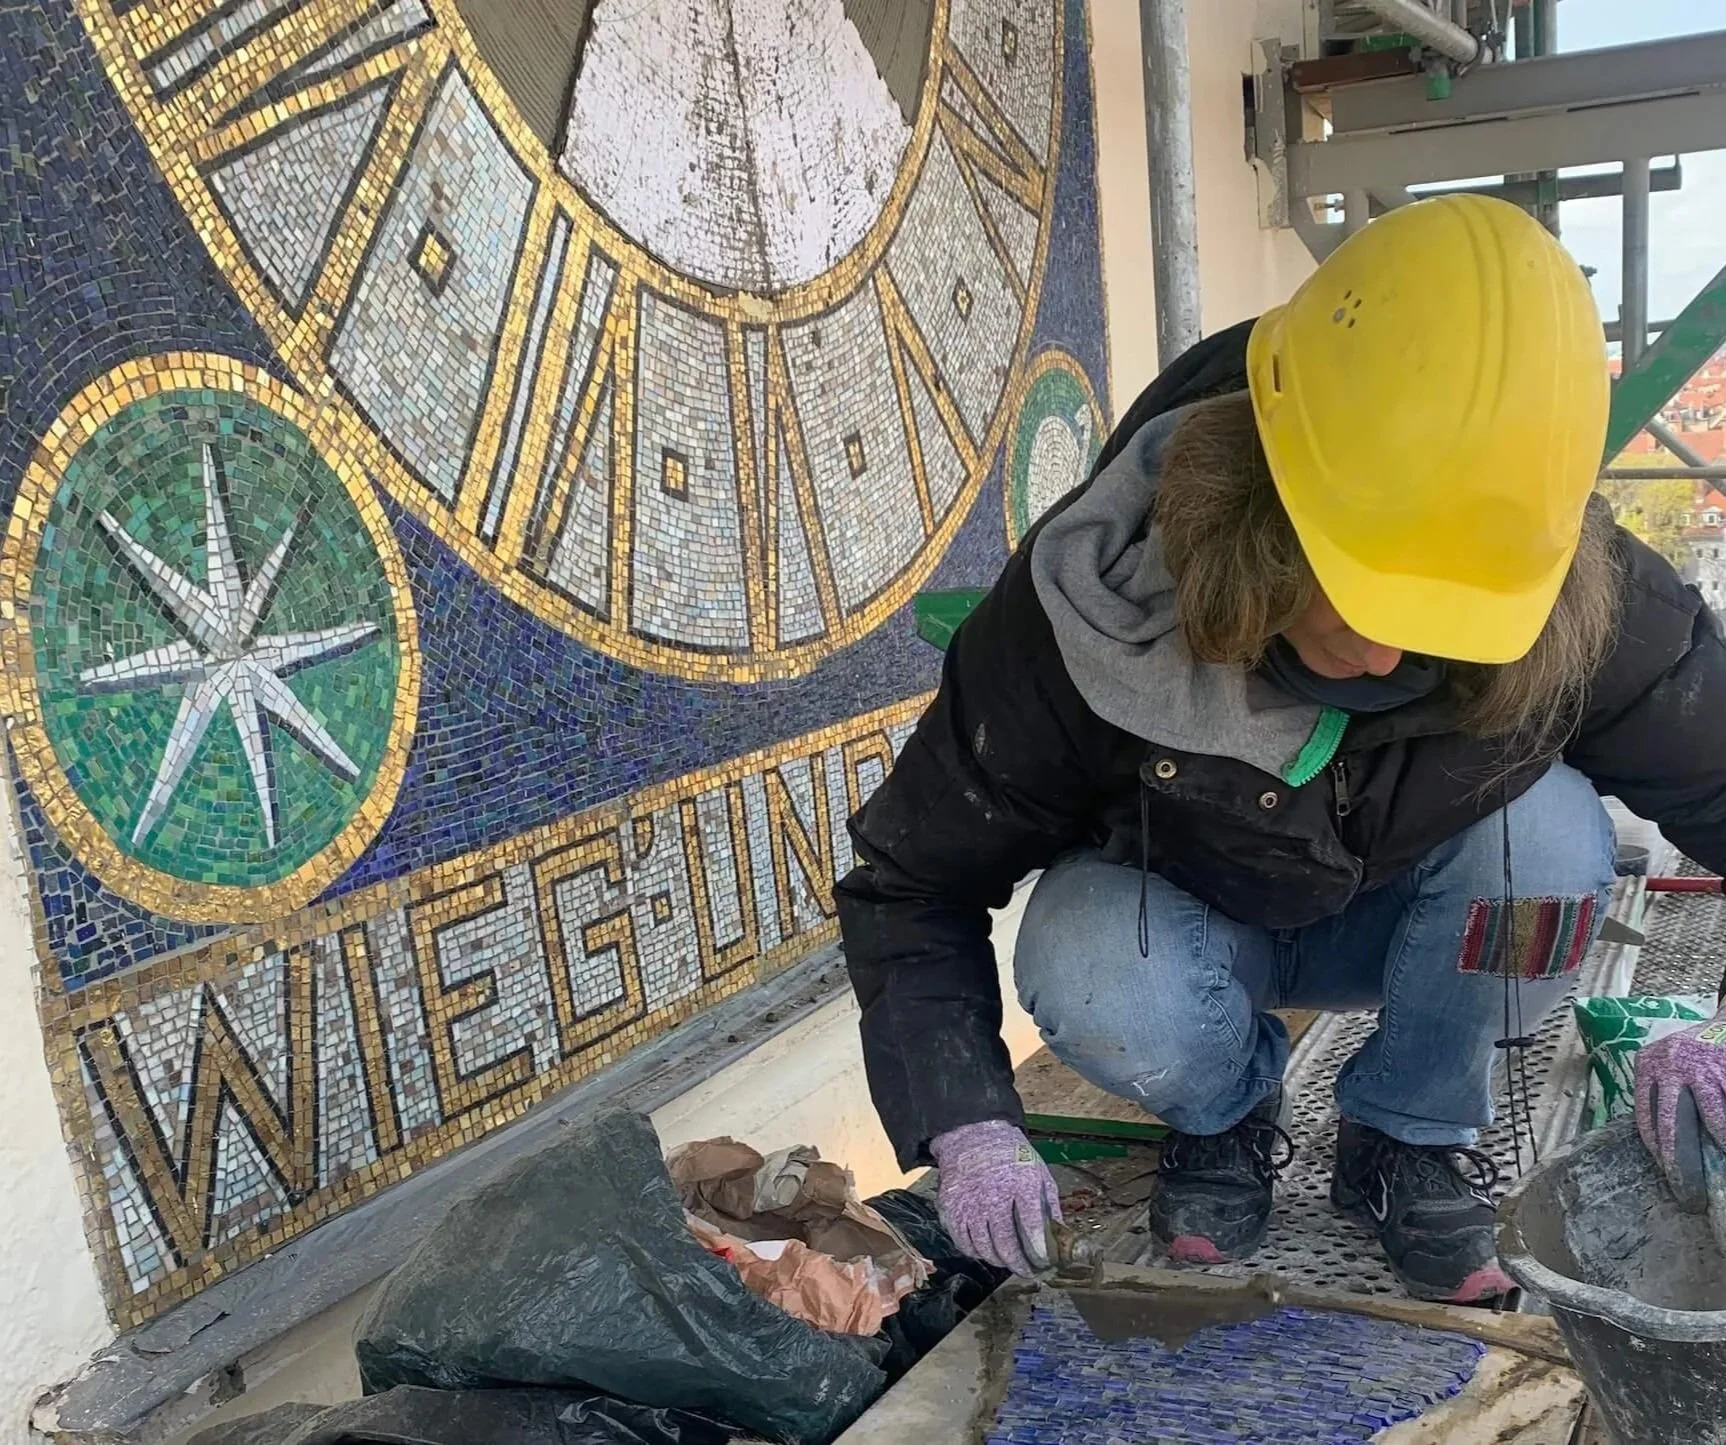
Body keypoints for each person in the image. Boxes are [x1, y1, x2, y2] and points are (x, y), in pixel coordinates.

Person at [835, 194, 1726, 1305]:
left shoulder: (1591, 604)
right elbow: (910, 886)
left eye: (1442, 610)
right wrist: (965, 1121)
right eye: (1358, 585)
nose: (1385, 650)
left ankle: (1405, 1133)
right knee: (1086, 961)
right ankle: (1224, 1112)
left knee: (1548, 841)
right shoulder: (1087, 607)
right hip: (1193, 926)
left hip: (1431, 927)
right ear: (1255, 505)